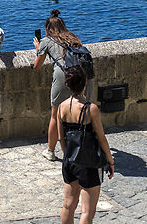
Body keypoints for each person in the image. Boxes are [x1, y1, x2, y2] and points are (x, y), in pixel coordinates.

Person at [48, 67, 115, 224]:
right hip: (89, 163)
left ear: (67, 85)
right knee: (87, 211)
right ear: (85, 82)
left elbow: (60, 137)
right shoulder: (91, 109)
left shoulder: (62, 107)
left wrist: (69, 156)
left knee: (68, 205)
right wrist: (110, 160)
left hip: (70, 160)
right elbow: (101, 138)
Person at [34, 10, 94, 106]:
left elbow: (37, 66)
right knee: (84, 110)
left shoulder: (46, 41)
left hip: (64, 75)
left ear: (48, 29)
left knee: (56, 114)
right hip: (84, 75)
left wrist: (38, 50)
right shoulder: (73, 37)